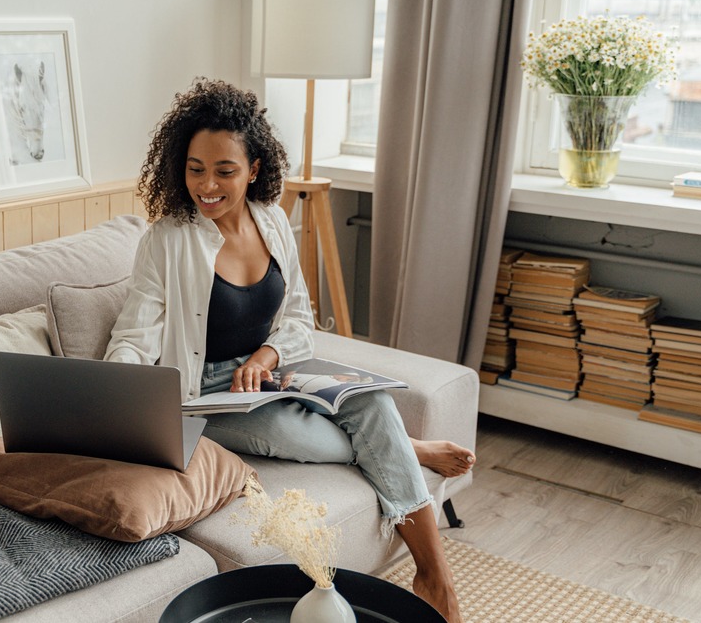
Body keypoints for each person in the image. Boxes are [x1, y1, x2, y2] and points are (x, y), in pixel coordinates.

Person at [104, 78, 467, 622]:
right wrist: (121, 392)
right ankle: (405, 448)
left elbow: (299, 318)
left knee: (372, 401)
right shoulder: (168, 239)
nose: (207, 184)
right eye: (196, 167)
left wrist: (265, 357)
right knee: (297, 436)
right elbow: (134, 337)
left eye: (225, 171)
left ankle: (435, 575)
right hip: (204, 396)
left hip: (271, 373)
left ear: (253, 170)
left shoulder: (272, 219)